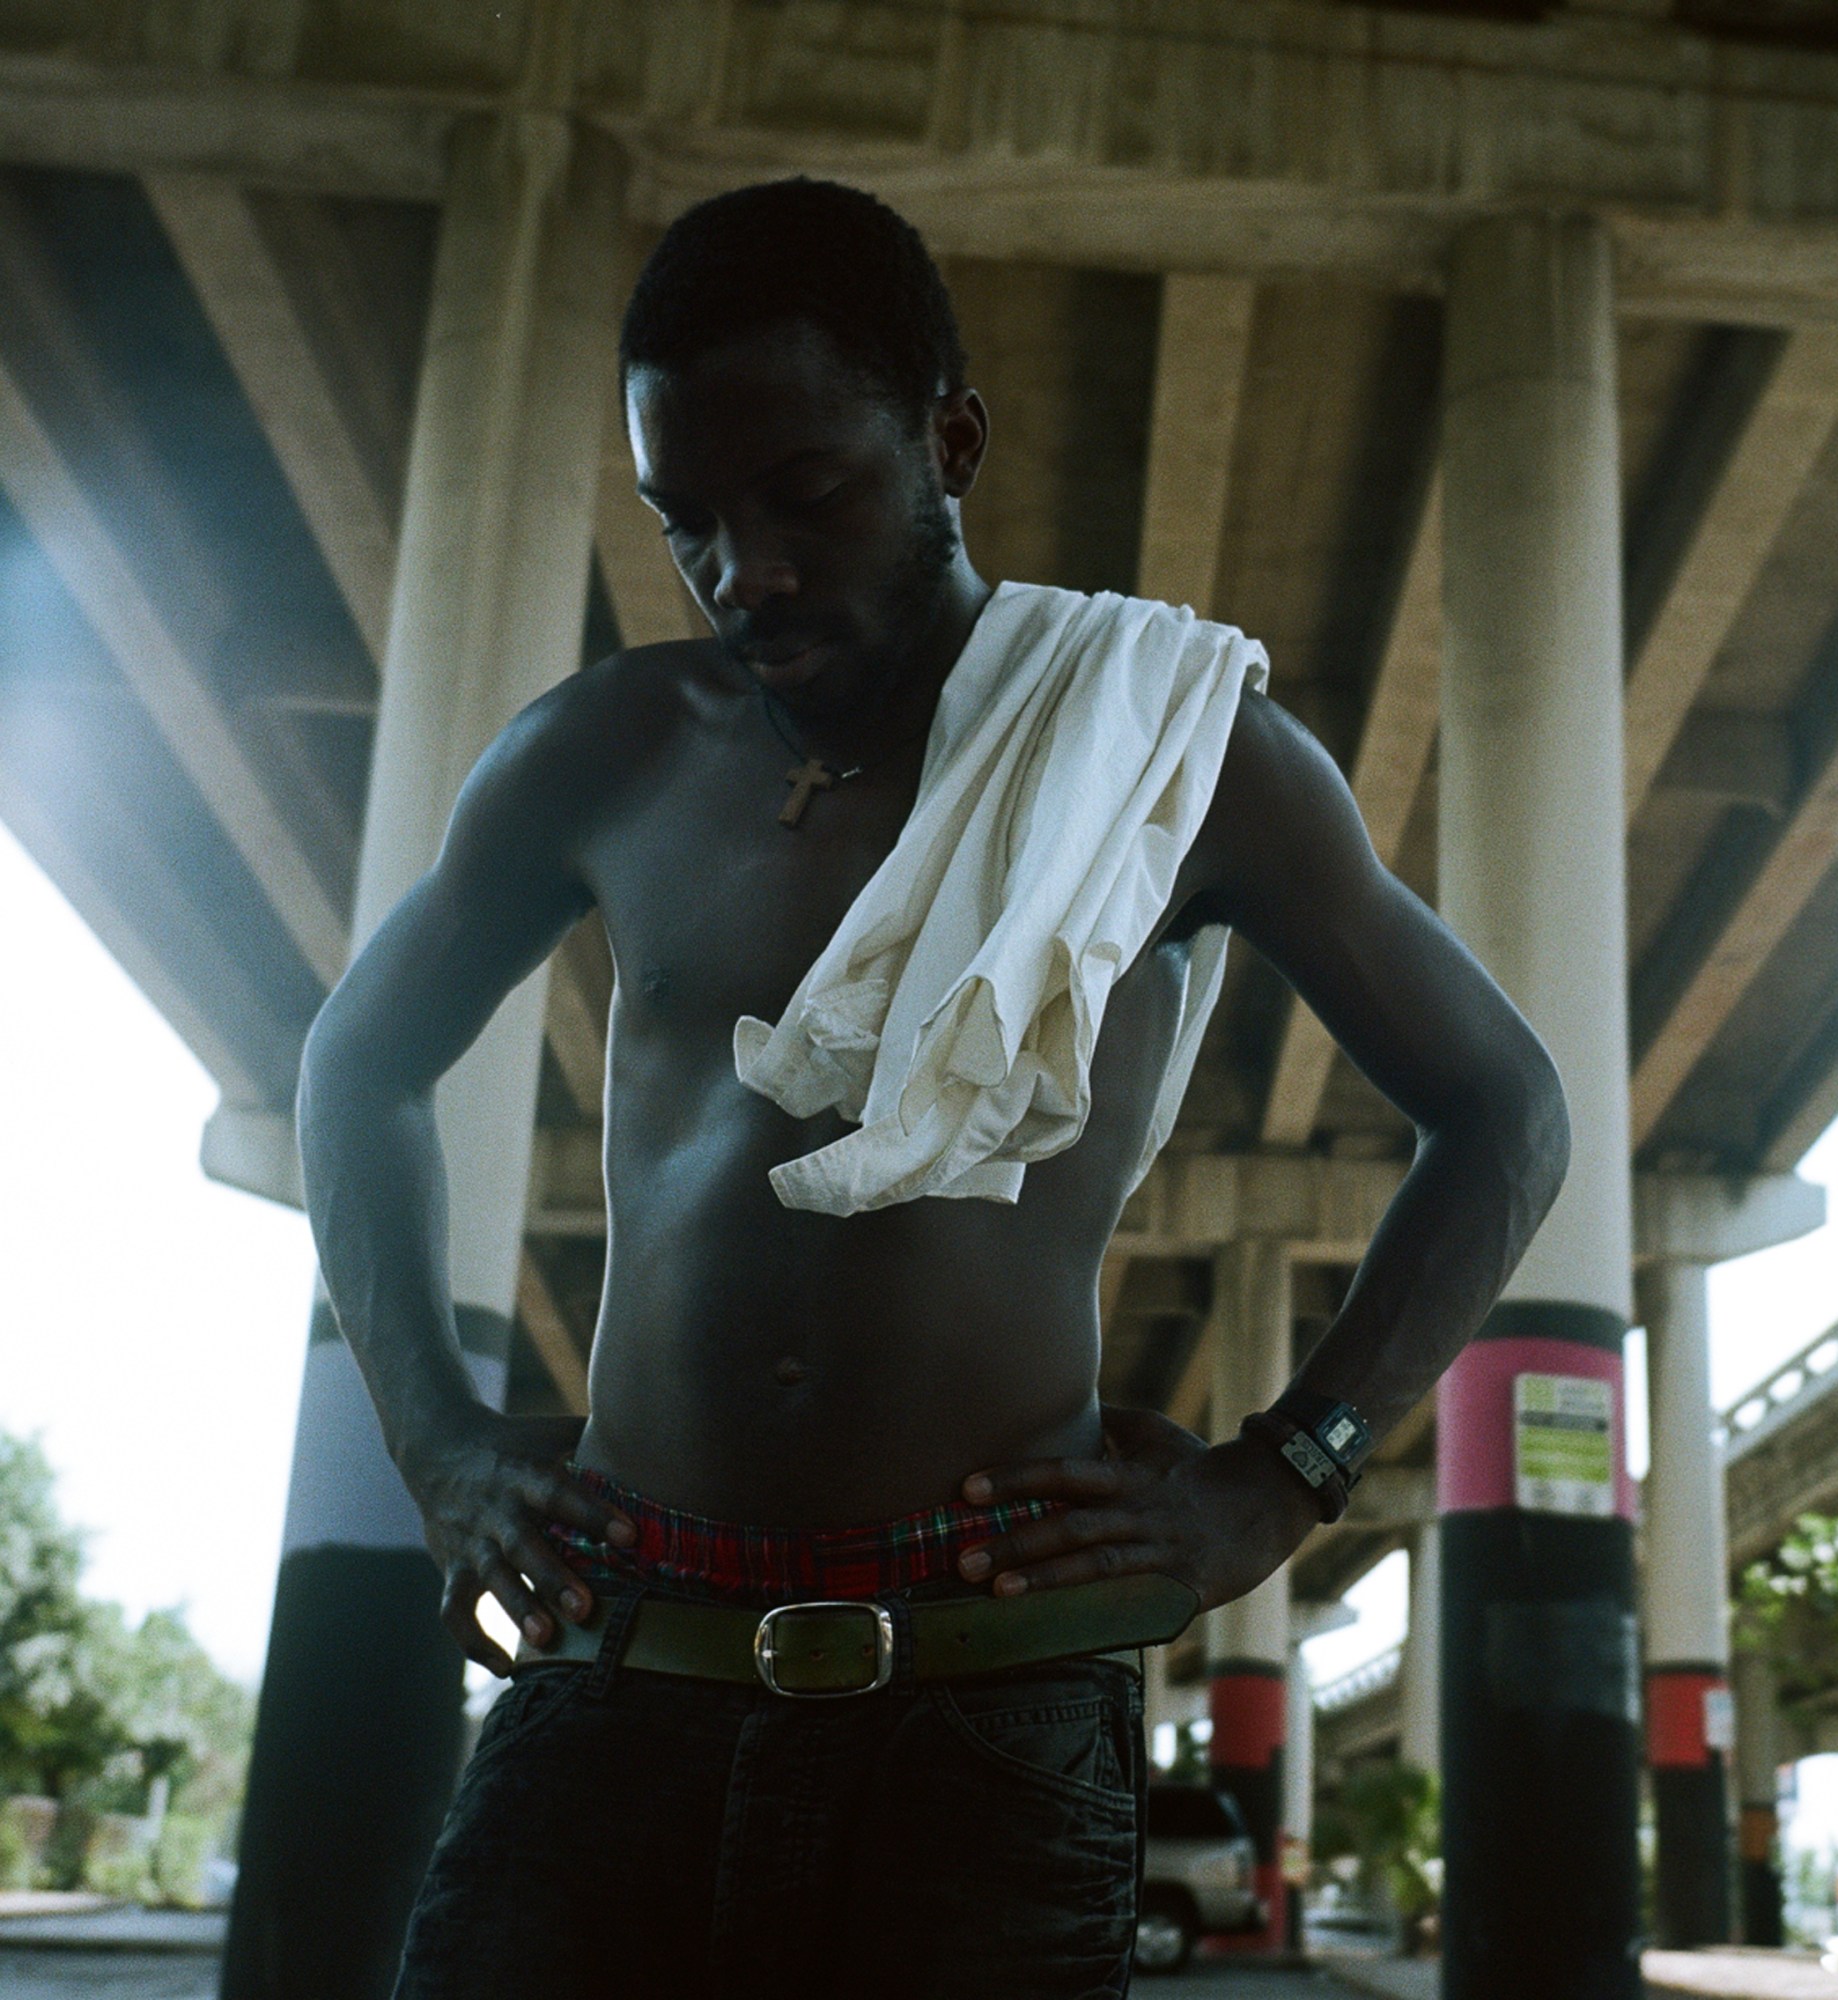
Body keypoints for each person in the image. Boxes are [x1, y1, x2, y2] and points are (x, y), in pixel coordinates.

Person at [297, 178, 1570, 1999]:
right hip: (618, 1669)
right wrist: (434, 1444)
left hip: (985, 1713)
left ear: (948, 439)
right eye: (692, 526)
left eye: (806, 496)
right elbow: (357, 1062)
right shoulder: (605, 748)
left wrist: (1283, 1479)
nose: (752, 571)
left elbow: (1508, 1110)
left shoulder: (1171, 749)